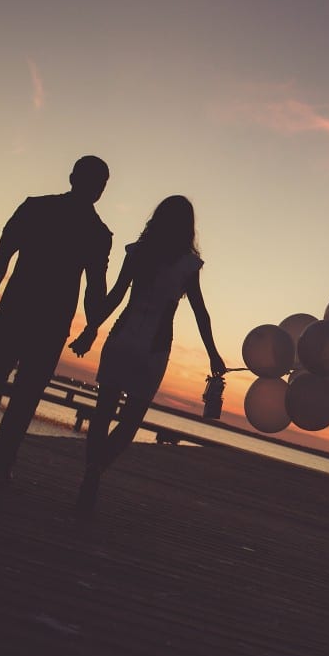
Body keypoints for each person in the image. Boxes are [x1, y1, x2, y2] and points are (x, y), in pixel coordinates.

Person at [0, 155, 113, 483]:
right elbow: (95, 287)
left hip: (16, 309)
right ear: (100, 190)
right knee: (27, 393)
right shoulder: (98, 234)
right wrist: (91, 327)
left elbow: (4, 251)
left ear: (72, 177)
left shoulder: (36, 207)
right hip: (53, 321)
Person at [68, 195, 225, 516]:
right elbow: (200, 312)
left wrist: (90, 328)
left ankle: (91, 469)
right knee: (130, 421)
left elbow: (115, 296)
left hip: (122, 339)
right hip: (154, 348)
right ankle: (98, 469)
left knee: (102, 413)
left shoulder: (138, 253)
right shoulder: (187, 265)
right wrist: (213, 354)